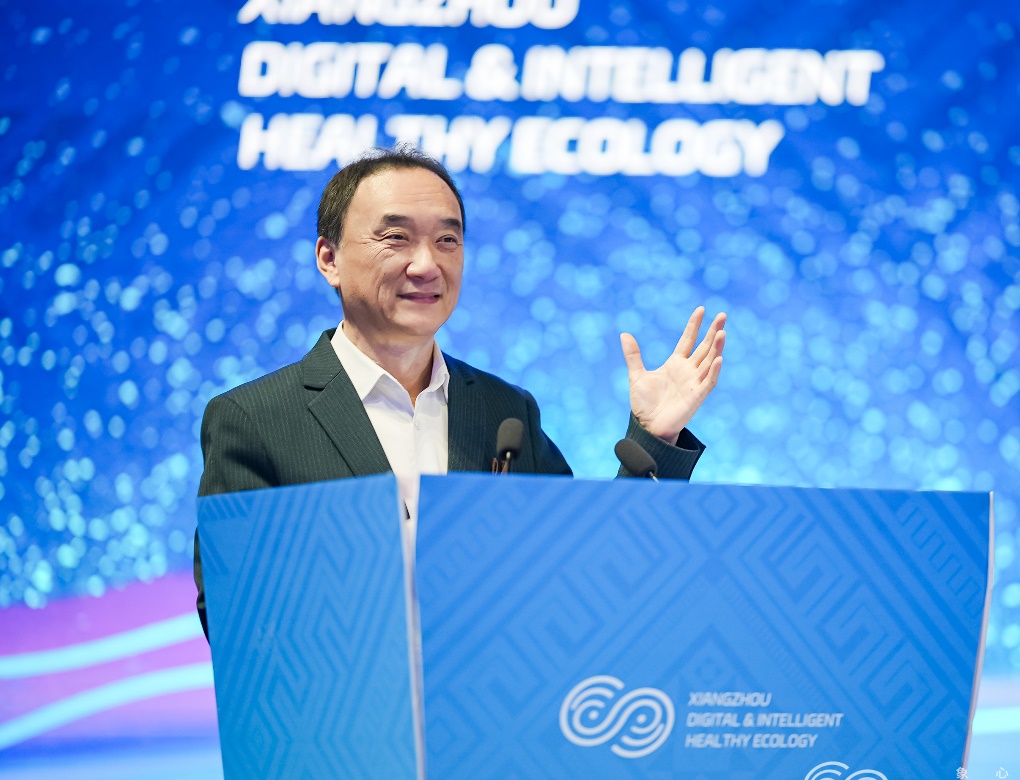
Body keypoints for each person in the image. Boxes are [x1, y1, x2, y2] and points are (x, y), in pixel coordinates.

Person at [193, 148, 726, 636]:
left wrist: (655, 436)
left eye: (447, 240)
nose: (427, 265)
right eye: (396, 237)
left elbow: (582, 576)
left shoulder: (505, 412)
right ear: (329, 258)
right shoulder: (256, 419)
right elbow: (234, 611)